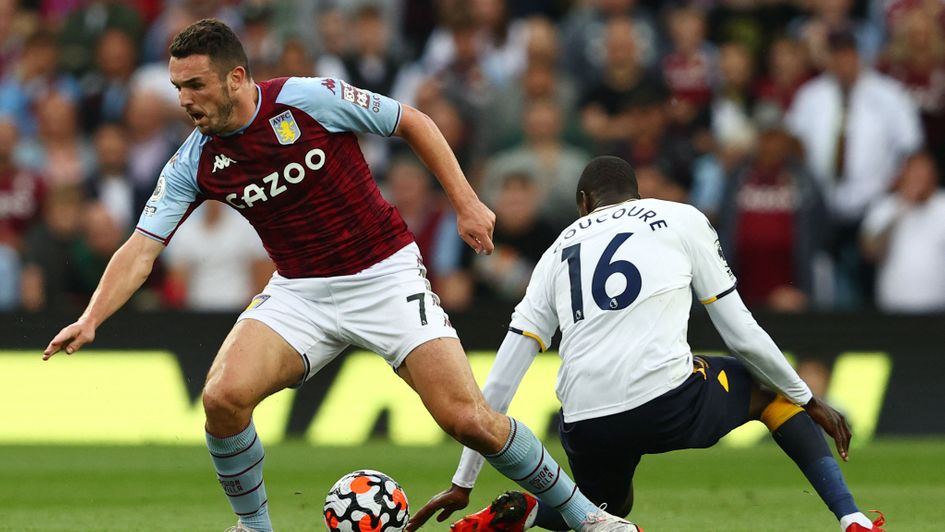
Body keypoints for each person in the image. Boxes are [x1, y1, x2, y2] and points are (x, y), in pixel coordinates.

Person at [42, 19, 634, 532]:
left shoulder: (306, 99)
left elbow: (413, 121)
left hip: (384, 273)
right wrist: (92, 317)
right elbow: (142, 247)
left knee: (467, 419)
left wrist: (467, 203)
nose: (185, 100)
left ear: (237, 78)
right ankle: (254, 525)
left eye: (195, 85)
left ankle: (589, 517)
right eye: (177, 88)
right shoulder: (194, 161)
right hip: (301, 291)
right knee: (222, 398)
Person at [408, 157, 885, 532]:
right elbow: (740, 333)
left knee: (601, 512)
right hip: (668, 402)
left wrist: (463, 479)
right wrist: (807, 397)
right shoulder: (679, 219)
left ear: (582, 203)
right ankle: (853, 519)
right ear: (636, 195)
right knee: (772, 389)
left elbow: (503, 377)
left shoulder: (555, 251)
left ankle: (527, 513)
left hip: (585, 422)